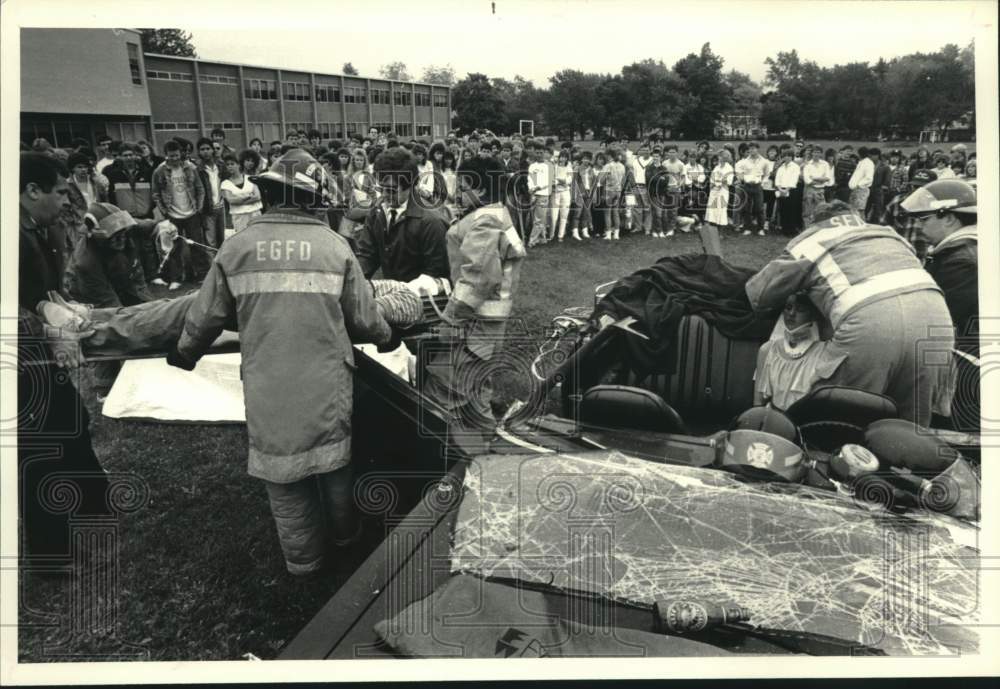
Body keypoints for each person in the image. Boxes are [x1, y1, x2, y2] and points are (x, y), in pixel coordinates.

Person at [165, 148, 394, 576]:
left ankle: (303, 563)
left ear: (269, 193)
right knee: (334, 467)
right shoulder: (335, 247)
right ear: (314, 199)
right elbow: (364, 317)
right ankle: (345, 539)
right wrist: (385, 336)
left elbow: (206, 313)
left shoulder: (237, 248)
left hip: (268, 383)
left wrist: (185, 352)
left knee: (284, 477)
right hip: (327, 381)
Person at [746, 200, 954, 427]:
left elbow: (759, 295)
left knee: (839, 421)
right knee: (911, 426)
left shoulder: (810, 240)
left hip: (870, 319)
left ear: (814, 222)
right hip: (936, 315)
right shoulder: (888, 234)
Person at [18, 153, 111, 563]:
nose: (64, 202)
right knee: (40, 451)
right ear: (31, 190)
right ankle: (50, 556)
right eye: (58, 192)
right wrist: (48, 327)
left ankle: (93, 502)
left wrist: (64, 307)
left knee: (73, 422)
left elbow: (44, 291)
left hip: (42, 351)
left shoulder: (40, 227)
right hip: (20, 360)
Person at [423, 155, 526, 448]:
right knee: (476, 391)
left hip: (474, 326)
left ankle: (468, 462)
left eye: (462, 185)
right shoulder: (495, 214)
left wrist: (450, 319)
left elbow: (479, 279)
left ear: (478, 190)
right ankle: (490, 452)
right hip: (489, 325)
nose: (456, 191)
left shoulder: (484, 221)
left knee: (448, 393)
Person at [64, 202, 156, 397]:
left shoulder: (127, 231)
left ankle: (148, 369)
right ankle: (105, 387)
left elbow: (150, 225)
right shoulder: (85, 262)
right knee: (107, 327)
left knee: (151, 314)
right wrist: (130, 324)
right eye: (114, 235)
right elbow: (110, 306)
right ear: (96, 234)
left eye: (123, 232)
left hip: (125, 276)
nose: (121, 238)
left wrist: (164, 226)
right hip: (88, 292)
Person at [356, 147, 451, 285]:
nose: (384, 195)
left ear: (411, 186)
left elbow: (437, 274)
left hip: (423, 300)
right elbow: (367, 256)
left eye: (391, 190)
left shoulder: (432, 222)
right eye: (381, 189)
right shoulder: (377, 213)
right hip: (393, 297)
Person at [754, 292, 843, 410]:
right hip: (772, 421)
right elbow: (757, 403)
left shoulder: (824, 352)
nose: (791, 314)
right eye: (788, 308)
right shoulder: (768, 350)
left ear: (812, 315)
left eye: (801, 309)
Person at [151, 139, 208, 288]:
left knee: (197, 245)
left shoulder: (190, 168)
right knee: (173, 248)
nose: (175, 159)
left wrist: (199, 207)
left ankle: (202, 276)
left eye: (177, 155)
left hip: (191, 213)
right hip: (173, 214)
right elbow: (156, 193)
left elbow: (200, 189)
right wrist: (164, 210)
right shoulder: (160, 171)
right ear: (166, 155)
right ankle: (176, 278)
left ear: (181, 154)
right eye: (171, 156)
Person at [195, 137, 227, 249]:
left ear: (212, 150)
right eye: (202, 149)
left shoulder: (222, 166)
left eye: (208, 148)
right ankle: (213, 265)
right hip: (208, 209)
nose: (205, 152)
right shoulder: (197, 170)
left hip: (222, 207)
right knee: (210, 241)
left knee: (225, 238)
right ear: (198, 152)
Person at [221, 152, 263, 233]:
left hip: (255, 213)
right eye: (227, 165)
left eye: (232, 164)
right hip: (239, 216)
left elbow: (258, 197)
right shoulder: (225, 183)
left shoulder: (250, 178)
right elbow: (231, 201)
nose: (230, 166)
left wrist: (239, 199)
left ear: (238, 165)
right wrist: (249, 196)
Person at [739, 142, 770, 236]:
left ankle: (761, 228)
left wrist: (763, 183)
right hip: (747, 186)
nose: (751, 150)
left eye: (754, 148)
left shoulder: (764, 161)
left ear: (757, 149)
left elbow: (767, 174)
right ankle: (747, 228)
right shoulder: (744, 161)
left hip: (757, 187)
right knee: (746, 208)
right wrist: (744, 179)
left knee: (759, 208)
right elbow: (740, 173)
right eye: (750, 149)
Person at [527, 145, 552, 247]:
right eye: (537, 153)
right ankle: (542, 238)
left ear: (544, 153)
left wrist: (538, 188)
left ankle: (532, 240)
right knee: (537, 218)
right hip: (533, 194)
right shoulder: (532, 166)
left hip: (543, 194)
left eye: (541, 153)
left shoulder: (548, 165)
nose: (539, 155)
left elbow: (548, 181)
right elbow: (530, 179)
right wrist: (531, 189)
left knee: (539, 218)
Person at [801, 146, 832, 227]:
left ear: (821, 154)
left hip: (820, 190)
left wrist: (814, 178)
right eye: (814, 152)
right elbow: (807, 180)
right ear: (812, 153)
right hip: (809, 190)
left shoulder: (825, 164)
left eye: (818, 152)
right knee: (808, 211)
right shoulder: (807, 164)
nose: (816, 154)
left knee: (821, 210)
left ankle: (819, 229)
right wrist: (821, 179)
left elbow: (828, 177)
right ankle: (808, 229)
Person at [598, 148, 626, 241]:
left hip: (609, 190)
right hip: (618, 191)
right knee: (616, 212)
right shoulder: (622, 166)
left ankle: (609, 234)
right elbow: (623, 180)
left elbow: (601, 180)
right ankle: (617, 234)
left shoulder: (608, 166)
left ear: (609, 155)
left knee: (607, 213)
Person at [568, 151, 595, 241]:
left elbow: (593, 182)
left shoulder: (591, 169)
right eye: (584, 158)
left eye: (588, 158)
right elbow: (573, 182)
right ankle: (575, 231)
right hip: (579, 192)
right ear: (581, 159)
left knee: (586, 213)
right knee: (577, 212)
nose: (586, 160)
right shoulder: (577, 168)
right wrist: (573, 195)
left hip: (588, 192)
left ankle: (584, 231)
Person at [773, 147, 801, 236]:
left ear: (792, 157)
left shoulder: (795, 167)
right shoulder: (781, 167)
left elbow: (794, 179)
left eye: (789, 156)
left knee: (791, 210)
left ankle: (791, 230)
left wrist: (787, 190)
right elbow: (777, 179)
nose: (787, 157)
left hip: (791, 190)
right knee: (783, 210)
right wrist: (780, 188)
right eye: (785, 156)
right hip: (781, 189)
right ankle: (784, 229)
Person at [550, 149, 573, 241]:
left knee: (564, 215)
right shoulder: (554, 167)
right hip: (555, 193)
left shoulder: (569, 168)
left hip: (565, 193)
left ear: (567, 159)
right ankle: (551, 235)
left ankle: (561, 235)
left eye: (564, 157)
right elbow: (552, 180)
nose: (562, 159)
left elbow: (568, 181)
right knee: (553, 216)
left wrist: (560, 180)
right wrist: (561, 181)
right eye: (561, 157)